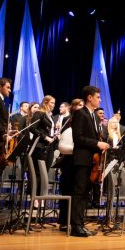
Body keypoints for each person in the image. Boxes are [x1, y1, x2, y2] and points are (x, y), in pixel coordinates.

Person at [70, 86, 110, 237]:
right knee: (79, 192)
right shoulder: (80, 113)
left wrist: (101, 145)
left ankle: (81, 223)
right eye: (98, 97)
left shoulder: (92, 115)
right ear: (89, 98)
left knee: (84, 193)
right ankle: (76, 226)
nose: (100, 99)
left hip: (90, 160)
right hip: (81, 159)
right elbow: (78, 138)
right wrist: (96, 144)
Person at [56, 98, 83, 231]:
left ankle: (75, 221)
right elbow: (61, 147)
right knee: (67, 192)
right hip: (69, 164)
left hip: (77, 163)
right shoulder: (69, 129)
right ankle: (64, 221)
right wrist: (79, 149)